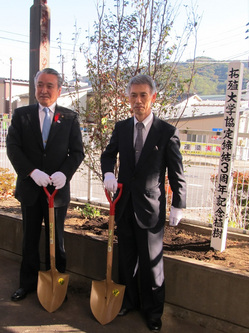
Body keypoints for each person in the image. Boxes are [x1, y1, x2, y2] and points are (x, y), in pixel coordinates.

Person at [101, 74, 186, 332]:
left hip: (151, 208)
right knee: (126, 258)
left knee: (152, 263)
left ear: (153, 98)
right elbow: (108, 154)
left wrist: (178, 204)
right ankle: (128, 301)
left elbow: (177, 171)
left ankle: (153, 312)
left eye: (143, 95)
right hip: (124, 204)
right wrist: (108, 173)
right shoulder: (122, 127)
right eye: (134, 96)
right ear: (128, 98)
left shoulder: (166, 132)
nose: (138, 101)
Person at [7, 68, 84, 301]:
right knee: (30, 239)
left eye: (49, 85)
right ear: (35, 87)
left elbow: (77, 152)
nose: (43, 90)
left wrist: (65, 173)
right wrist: (31, 171)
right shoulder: (22, 115)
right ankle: (27, 284)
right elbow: (13, 148)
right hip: (31, 189)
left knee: (56, 239)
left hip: (57, 192)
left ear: (59, 90)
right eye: (40, 85)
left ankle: (58, 283)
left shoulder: (69, 118)